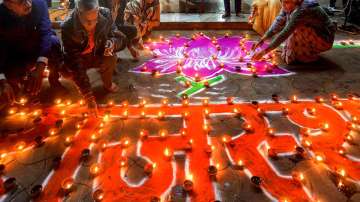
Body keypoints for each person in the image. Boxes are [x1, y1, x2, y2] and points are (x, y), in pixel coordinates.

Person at [61, 0, 126, 115]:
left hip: (98, 53)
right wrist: (88, 95)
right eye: (87, 21)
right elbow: (75, 61)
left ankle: (107, 83)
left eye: (95, 19)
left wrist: (113, 44)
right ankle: (81, 83)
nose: (92, 24)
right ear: (78, 13)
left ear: (98, 11)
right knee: (67, 71)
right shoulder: (68, 26)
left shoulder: (105, 14)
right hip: (81, 57)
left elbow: (117, 35)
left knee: (111, 58)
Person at [0, 0, 63, 106]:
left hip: (36, 48)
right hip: (14, 54)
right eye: (21, 2)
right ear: (8, 5)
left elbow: (46, 32)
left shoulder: (39, 3)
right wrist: (2, 81)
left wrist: (40, 66)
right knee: (11, 90)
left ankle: (54, 82)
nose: (28, 4)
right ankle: (21, 87)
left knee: (53, 42)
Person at [252, 0, 336, 64]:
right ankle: (303, 52)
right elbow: (279, 21)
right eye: (282, 2)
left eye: (286, 2)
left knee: (295, 28)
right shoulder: (289, 4)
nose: (283, 5)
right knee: (291, 25)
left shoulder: (303, 9)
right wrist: (262, 39)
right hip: (314, 34)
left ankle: (309, 54)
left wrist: (264, 52)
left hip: (324, 39)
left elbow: (285, 33)